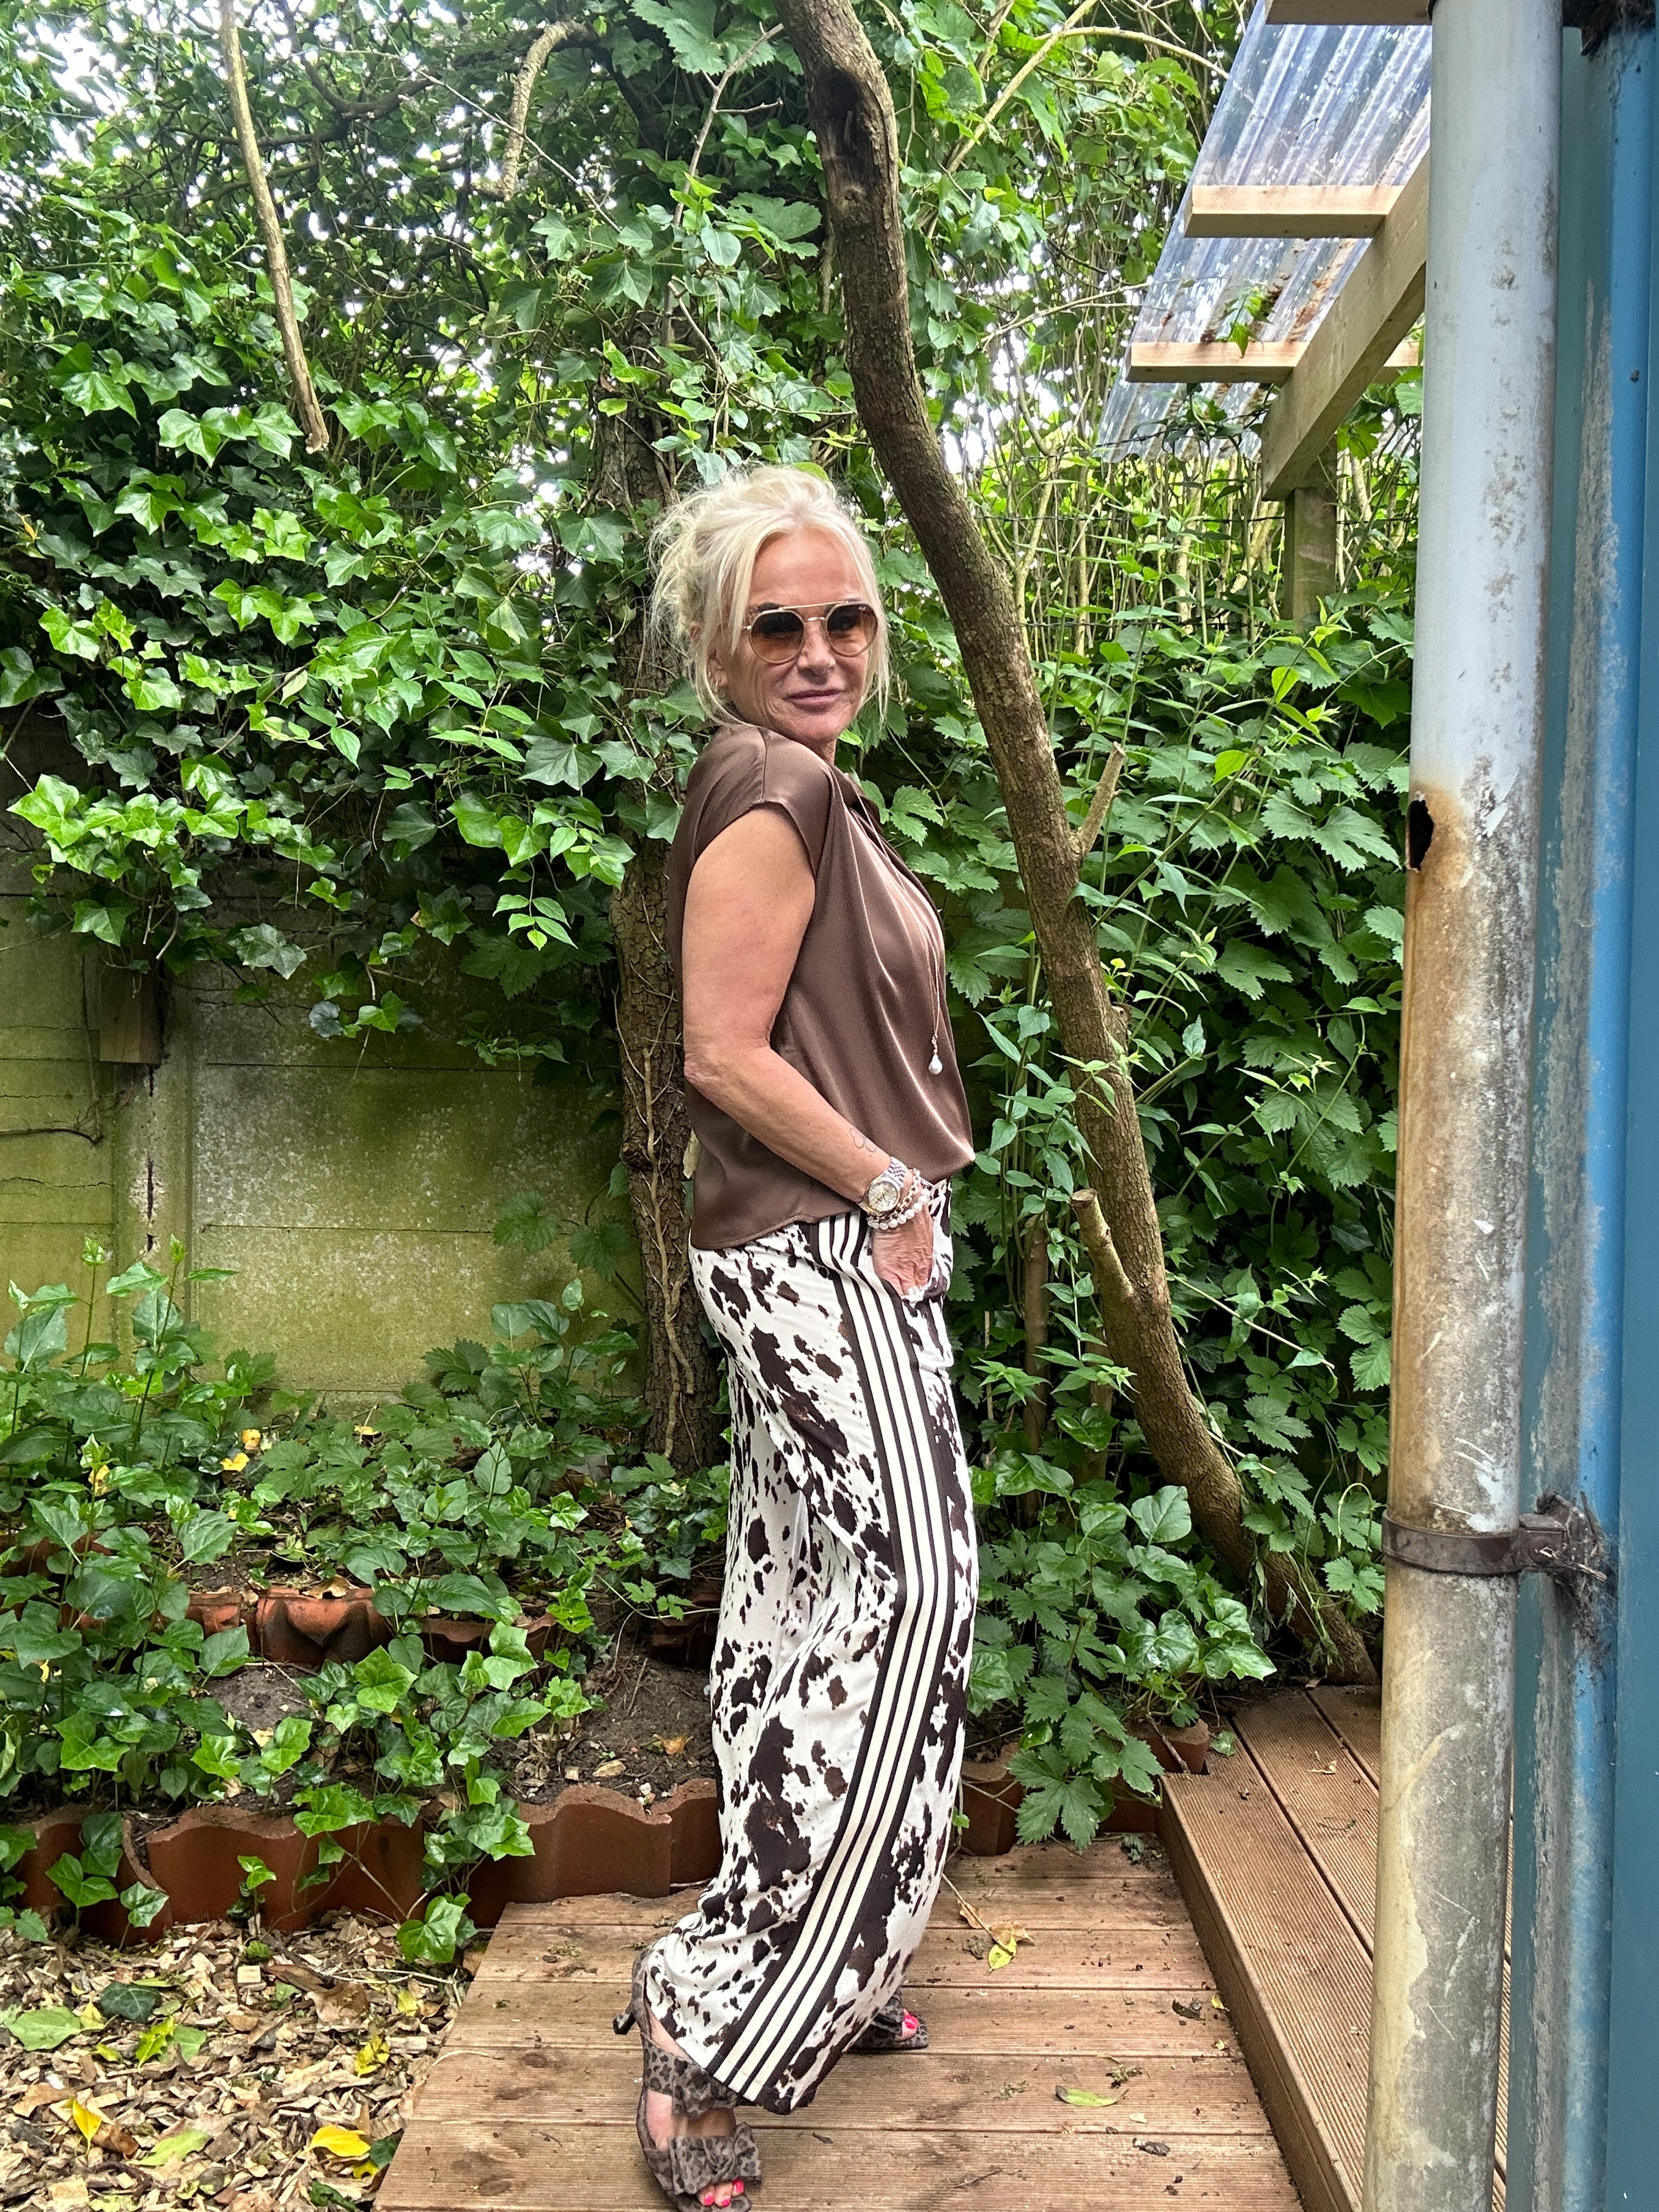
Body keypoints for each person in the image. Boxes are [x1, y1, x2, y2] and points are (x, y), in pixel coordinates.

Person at [611, 464, 979, 2212]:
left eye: (848, 619)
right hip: (827, 1254)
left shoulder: (805, 784)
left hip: (819, 1251)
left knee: (798, 1598)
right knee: (909, 1601)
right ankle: (716, 2032)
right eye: (780, 626)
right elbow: (722, 1054)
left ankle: (832, 1957)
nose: (822, 650)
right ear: (719, 648)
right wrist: (893, 1189)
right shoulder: (775, 784)